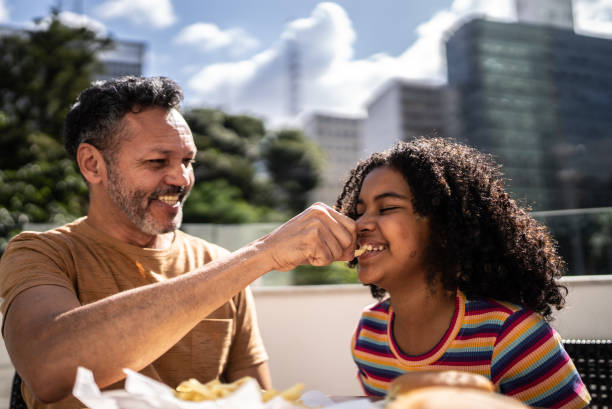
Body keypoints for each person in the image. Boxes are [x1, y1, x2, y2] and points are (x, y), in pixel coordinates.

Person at [0, 76, 357, 409]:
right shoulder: (39, 253)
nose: (181, 178)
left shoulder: (218, 262)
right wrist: (261, 254)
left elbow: (257, 398)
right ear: (93, 164)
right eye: (157, 161)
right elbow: (49, 370)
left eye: (188, 161)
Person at [335, 137, 591, 408]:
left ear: (443, 229)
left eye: (387, 208)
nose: (360, 225)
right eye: (359, 212)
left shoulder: (511, 336)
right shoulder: (368, 333)